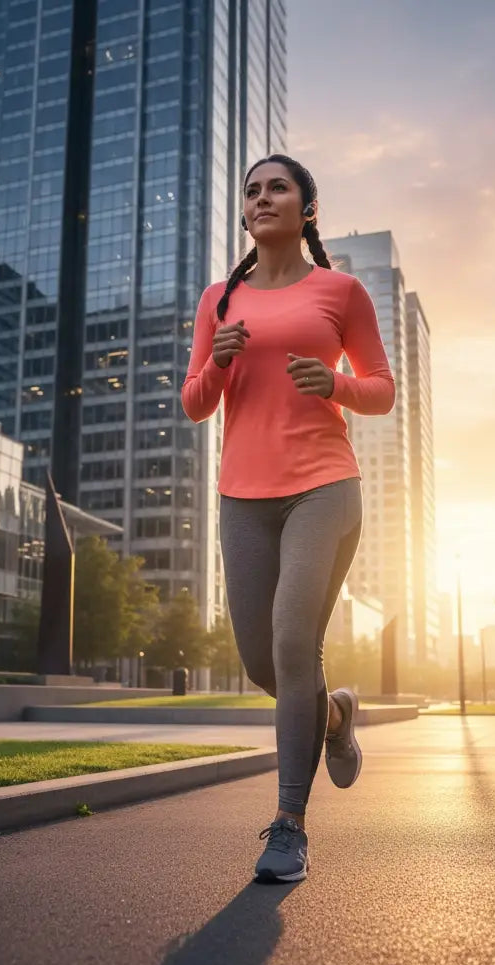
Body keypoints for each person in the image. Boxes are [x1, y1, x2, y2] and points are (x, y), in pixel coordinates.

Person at [181, 154, 395, 883]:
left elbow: (381, 389)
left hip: (324, 487)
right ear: (244, 212)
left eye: (278, 187)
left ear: (307, 208)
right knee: (263, 664)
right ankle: (334, 715)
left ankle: (289, 825)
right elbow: (195, 403)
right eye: (252, 190)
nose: (262, 197)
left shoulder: (341, 291)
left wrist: (333, 382)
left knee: (293, 638)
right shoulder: (218, 299)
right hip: (243, 497)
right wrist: (218, 362)